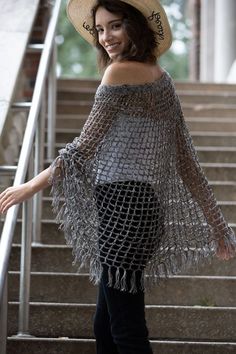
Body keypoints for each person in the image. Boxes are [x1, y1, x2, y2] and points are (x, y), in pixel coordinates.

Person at [1, 0, 236, 353]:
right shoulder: (162, 78)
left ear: (135, 26)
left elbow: (83, 147)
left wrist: (29, 186)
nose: (105, 37)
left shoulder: (119, 73)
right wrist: (218, 226)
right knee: (107, 325)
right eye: (99, 29)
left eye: (115, 26)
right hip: (141, 212)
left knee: (125, 329)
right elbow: (188, 164)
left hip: (125, 210)